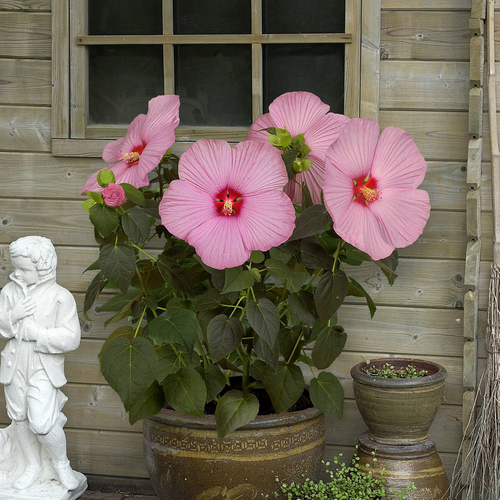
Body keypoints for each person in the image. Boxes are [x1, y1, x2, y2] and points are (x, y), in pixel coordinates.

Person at [0, 236, 81, 491]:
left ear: (43, 268)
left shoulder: (60, 297)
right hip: (14, 364)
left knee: (42, 422)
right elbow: (2, 327)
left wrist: (40, 335)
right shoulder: (9, 292)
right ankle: (32, 466)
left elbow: (71, 338)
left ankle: (61, 464)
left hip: (42, 366)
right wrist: (14, 315)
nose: (18, 273)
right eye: (15, 267)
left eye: (24, 269)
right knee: (19, 417)